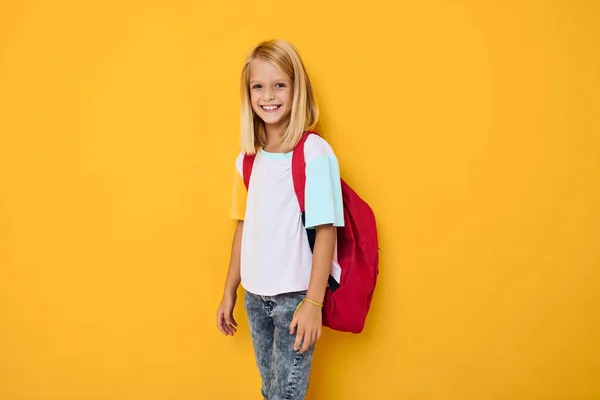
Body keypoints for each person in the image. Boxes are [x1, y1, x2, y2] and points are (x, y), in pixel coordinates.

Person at [216, 39, 344, 400]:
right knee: (271, 391)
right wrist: (230, 289)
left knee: (284, 396)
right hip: (255, 296)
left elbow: (326, 231)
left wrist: (313, 303)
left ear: (296, 88)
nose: (267, 96)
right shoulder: (247, 159)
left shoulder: (314, 152)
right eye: (258, 86)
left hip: (295, 300)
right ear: (248, 93)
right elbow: (243, 226)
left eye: (279, 85)